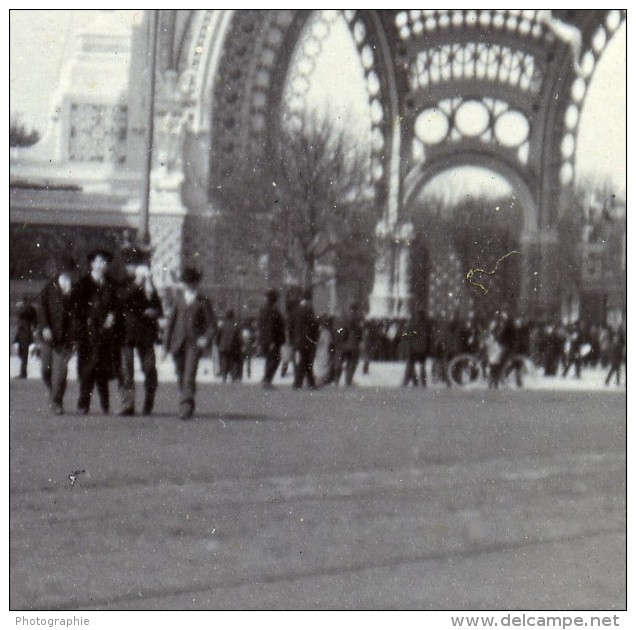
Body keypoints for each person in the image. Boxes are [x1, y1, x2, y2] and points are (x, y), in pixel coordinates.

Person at [163, 267, 217, 419]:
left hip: (194, 345)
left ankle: (185, 408)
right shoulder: (178, 300)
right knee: (181, 375)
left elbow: (212, 325)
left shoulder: (203, 302)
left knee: (189, 375)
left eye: (192, 283)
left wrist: (205, 338)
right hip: (177, 343)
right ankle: (187, 401)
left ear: (196, 284)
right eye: (186, 283)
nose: (189, 286)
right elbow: (170, 324)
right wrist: (165, 346)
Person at [116, 246, 163, 416]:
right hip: (126, 331)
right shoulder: (122, 282)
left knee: (149, 367)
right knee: (125, 370)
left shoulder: (149, 286)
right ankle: (127, 403)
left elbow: (158, 307)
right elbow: (122, 298)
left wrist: (154, 311)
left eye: (135, 265)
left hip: (145, 332)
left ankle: (149, 398)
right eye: (130, 265)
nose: (132, 268)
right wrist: (137, 283)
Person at [72, 249, 120, 414]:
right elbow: (76, 308)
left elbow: (116, 305)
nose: (101, 265)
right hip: (87, 333)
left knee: (103, 370)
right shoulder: (83, 283)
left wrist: (112, 315)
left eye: (104, 262)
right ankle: (83, 404)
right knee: (88, 369)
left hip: (105, 333)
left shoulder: (111, 284)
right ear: (92, 264)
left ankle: (105, 405)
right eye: (98, 261)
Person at [38, 258, 76, 414]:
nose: (67, 275)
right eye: (64, 271)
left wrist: (74, 339)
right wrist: (45, 327)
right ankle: (54, 392)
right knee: (45, 370)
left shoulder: (75, 290)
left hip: (65, 339)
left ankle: (56, 402)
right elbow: (41, 309)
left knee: (59, 372)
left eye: (69, 272)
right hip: (48, 336)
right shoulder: (49, 288)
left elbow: (76, 316)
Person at [290, 287, 320, 389]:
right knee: (305, 361)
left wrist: (291, 339)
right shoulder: (309, 309)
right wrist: (315, 338)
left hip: (297, 339)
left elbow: (291, 325)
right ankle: (299, 382)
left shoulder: (296, 309)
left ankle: (309, 382)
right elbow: (313, 326)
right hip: (307, 340)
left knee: (305, 361)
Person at [258, 288, 286, 388]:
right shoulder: (273, 310)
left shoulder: (263, 309)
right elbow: (271, 326)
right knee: (274, 359)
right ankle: (267, 379)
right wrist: (271, 341)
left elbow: (262, 326)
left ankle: (266, 379)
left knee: (270, 359)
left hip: (266, 339)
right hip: (273, 340)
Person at [402, 308, 430, 388]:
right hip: (423, 349)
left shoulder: (413, 324)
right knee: (421, 367)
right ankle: (421, 383)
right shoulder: (426, 325)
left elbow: (406, 335)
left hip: (413, 348)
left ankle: (409, 381)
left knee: (410, 365)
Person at [13, 295, 37, 379]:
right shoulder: (23, 310)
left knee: (24, 354)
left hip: (26, 333)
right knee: (21, 353)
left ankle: (23, 373)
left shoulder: (29, 310)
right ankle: (23, 372)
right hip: (20, 333)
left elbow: (33, 319)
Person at [340, 302, 365, 386]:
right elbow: (360, 330)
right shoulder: (357, 318)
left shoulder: (346, 318)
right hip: (354, 343)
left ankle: (348, 379)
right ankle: (349, 380)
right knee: (353, 362)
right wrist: (360, 339)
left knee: (348, 362)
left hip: (346, 343)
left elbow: (343, 330)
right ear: (356, 309)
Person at [218, 309, 242, 382]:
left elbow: (218, 335)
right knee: (233, 361)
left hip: (223, 346)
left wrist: (219, 343)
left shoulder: (222, 324)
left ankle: (224, 376)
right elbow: (238, 336)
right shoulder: (235, 324)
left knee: (224, 360)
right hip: (233, 346)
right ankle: (233, 376)